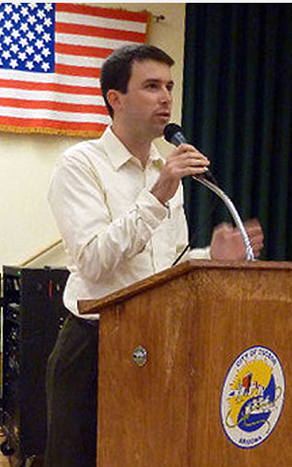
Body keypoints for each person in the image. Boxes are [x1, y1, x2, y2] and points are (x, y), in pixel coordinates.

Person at [44, 44, 263, 467]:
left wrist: (209, 258)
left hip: (157, 344)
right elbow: (94, 260)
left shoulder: (163, 172)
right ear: (115, 98)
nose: (166, 97)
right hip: (94, 348)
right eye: (151, 86)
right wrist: (158, 194)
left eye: (169, 86)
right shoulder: (81, 165)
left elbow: (163, 271)